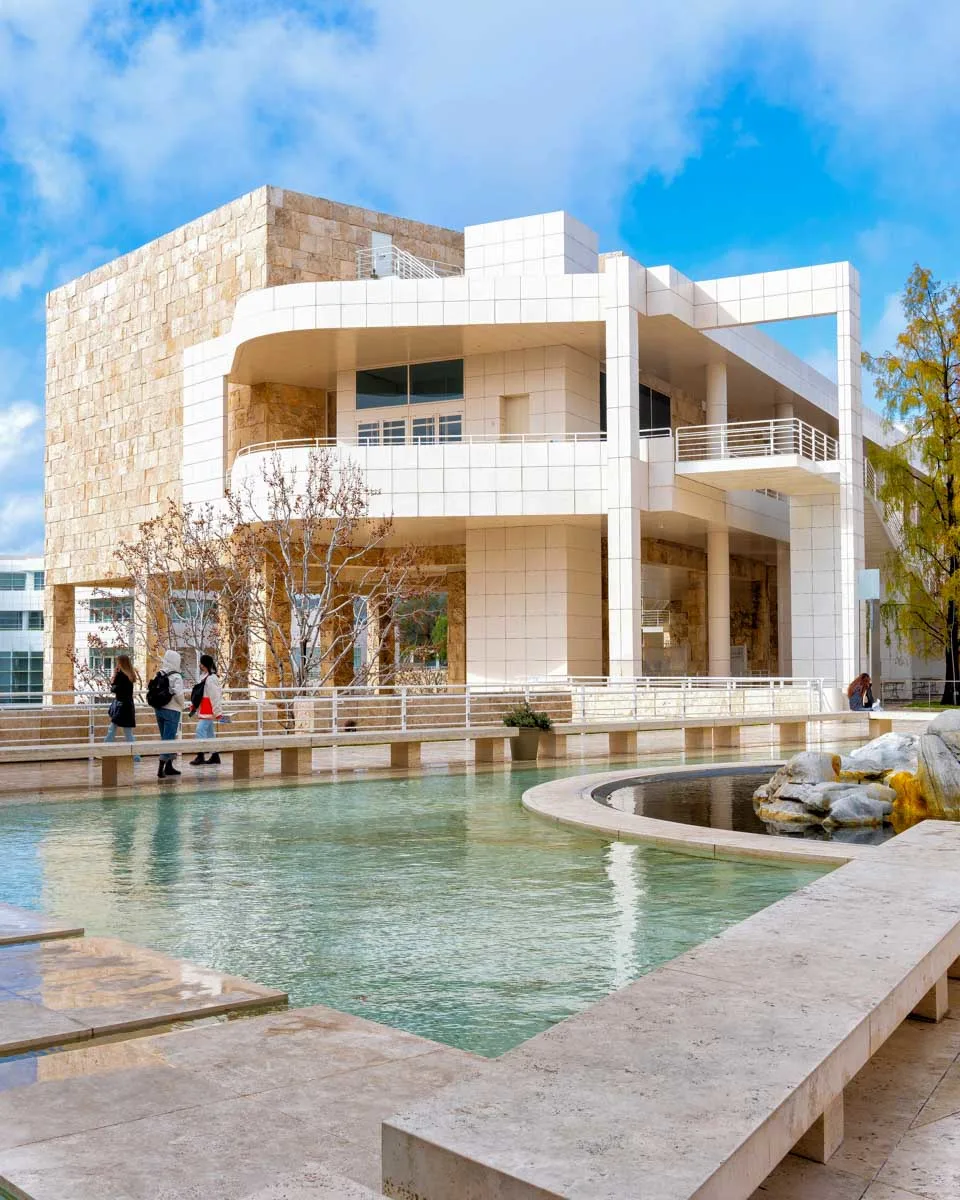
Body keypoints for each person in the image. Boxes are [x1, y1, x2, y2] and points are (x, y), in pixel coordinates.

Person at [149, 649, 185, 779]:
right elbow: (179, 694)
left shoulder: (160, 673)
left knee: (165, 737)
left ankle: (169, 766)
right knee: (169, 739)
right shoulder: (176, 676)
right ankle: (161, 769)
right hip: (172, 710)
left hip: (159, 709)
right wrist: (183, 705)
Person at [104, 654, 141, 761]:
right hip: (128, 705)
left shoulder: (121, 675)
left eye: (118, 662)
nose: (117, 664)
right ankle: (136, 756)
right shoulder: (130, 675)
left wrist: (114, 675)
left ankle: (105, 750)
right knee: (127, 732)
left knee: (112, 729)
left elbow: (114, 688)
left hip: (121, 707)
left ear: (121, 663)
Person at [189, 654, 224, 766]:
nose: (200, 665)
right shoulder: (206, 677)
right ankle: (215, 756)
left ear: (204, 665)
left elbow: (215, 696)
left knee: (200, 730)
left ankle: (201, 755)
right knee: (210, 734)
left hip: (208, 711)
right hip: (205, 710)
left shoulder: (210, 679)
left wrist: (218, 712)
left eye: (201, 663)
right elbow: (203, 695)